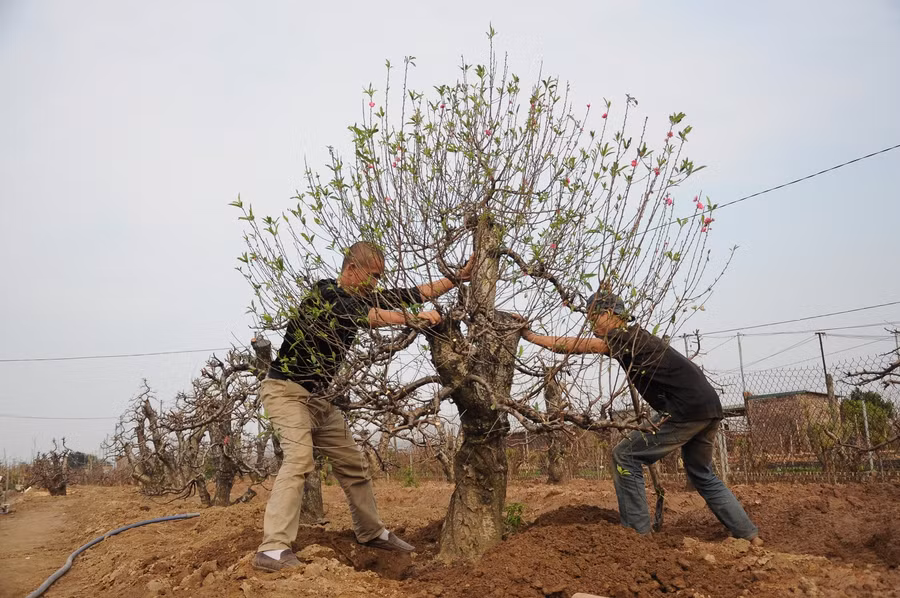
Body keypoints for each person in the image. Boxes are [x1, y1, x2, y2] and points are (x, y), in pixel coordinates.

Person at [253, 242, 471, 572]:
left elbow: (412, 293)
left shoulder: (361, 295)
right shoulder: (325, 294)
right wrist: (415, 320)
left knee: (354, 464)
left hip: (318, 397)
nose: (377, 283)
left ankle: (370, 532)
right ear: (352, 270)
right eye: (374, 276)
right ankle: (272, 549)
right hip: (285, 391)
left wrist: (457, 278)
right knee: (299, 460)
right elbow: (371, 317)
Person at [517, 290, 760, 543]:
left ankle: (637, 537)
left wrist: (530, 336)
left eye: (593, 319)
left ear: (610, 314)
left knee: (625, 455)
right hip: (707, 408)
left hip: (684, 410)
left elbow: (579, 346)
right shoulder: (636, 337)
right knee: (701, 473)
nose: (591, 327)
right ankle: (748, 533)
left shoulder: (626, 337)